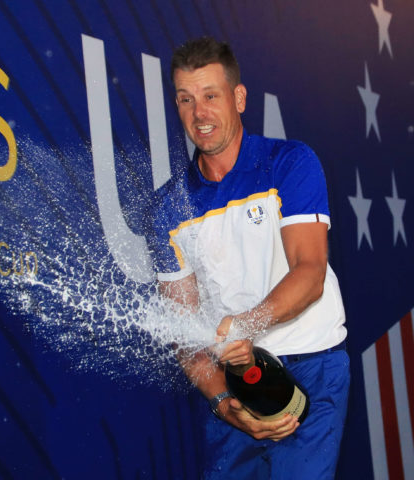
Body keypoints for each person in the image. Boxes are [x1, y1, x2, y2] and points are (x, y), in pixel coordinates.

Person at [147, 37, 350, 479]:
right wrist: (223, 403)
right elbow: (185, 332)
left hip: (309, 365)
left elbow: (310, 273)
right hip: (233, 383)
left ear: (238, 98)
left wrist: (244, 325)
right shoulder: (167, 209)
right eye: (186, 99)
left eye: (210, 96)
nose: (199, 114)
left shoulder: (289, 163)